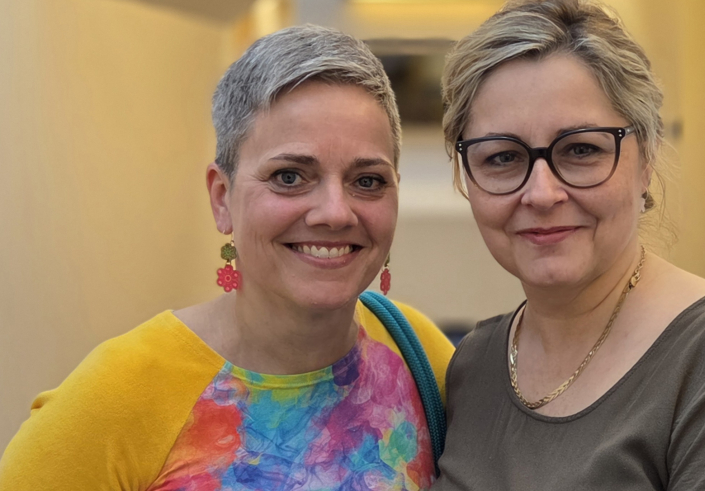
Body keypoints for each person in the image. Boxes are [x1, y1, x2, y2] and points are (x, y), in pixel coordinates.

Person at [0, 24, 454, 491]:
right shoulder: (117, 397)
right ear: (222, 197)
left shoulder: (421, 354)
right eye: (290, 177)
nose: (335, 213)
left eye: (368, 181)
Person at [431, 0, 705, 490]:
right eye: (503, 157)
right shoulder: (476, 364)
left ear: (646, 159)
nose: (541, 193)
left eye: (580, 150)